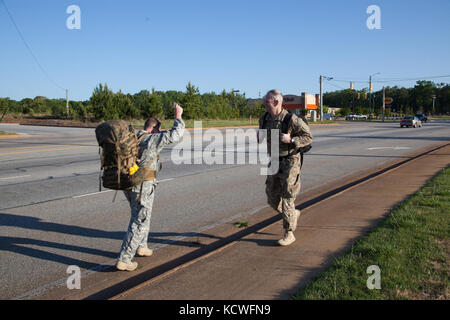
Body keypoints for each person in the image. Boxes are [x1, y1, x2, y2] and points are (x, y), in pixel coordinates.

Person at [116, 102, 185, 271]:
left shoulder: (134, 137)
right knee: (140, 219)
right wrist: (178, 116)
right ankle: (124, 259)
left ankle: (142, 246)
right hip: (143, 185)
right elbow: (176, 135)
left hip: (129, 184)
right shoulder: (153, 139)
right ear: (154, 129)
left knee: (141, 213)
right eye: (159, 130)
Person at [259, 89, 313, 246]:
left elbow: (308, 137)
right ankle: (292, 214)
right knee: (271, 197)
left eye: (267, 102)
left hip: (290, 161)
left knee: (288, 197)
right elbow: (264, 134)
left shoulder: (291, 119)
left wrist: (292, 139)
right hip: (274, 160)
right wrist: (260, 135)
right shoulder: (264, 118)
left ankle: (289, 233)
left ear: (276, 102)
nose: (264, 104)